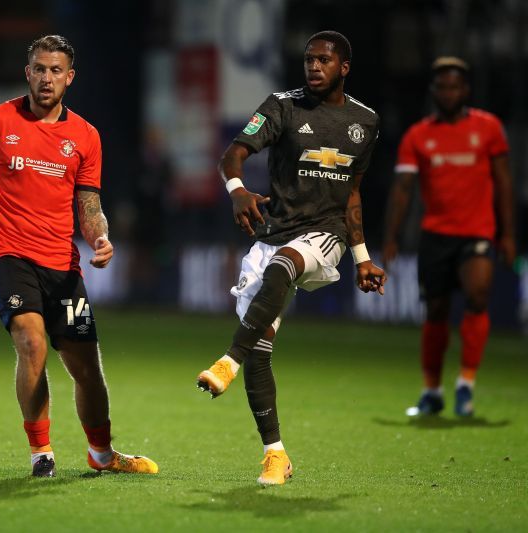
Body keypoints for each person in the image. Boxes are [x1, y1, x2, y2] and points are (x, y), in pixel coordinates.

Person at [0, 35, 158, 478]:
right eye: (39, 69)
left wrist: (100, 238)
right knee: (32, 344)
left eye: (56, 71)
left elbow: (89, 205)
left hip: (60, 262)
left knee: (87, 369)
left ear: (70, 78)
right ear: (28, 72)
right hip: (5, 253)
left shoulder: (85, 136)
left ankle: (102, 455)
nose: (47, 78)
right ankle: (40, 452)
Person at [195, 31, 387, 485]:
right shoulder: (282, 106)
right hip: (272, 233)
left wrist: (361, 256)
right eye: (308, 60)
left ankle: (227, 360)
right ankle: (276, 454)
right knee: (261, 348)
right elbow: (233, 154)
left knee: (285, 265)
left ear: (344, 67)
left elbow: (352, 194)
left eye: (324, 60)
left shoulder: (365, 121)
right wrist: (238, 190)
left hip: (324, 235)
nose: (313, 67)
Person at [382, 57, 516, 418]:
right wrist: (391, 236)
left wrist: (508, 235)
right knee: (436, 312)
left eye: (454, 86)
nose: (448, 92)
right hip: (435, 235)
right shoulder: (418, 135)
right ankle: (432, 391)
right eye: (441, 86)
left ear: (465, 90)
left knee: (478, 296)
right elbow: (403, 190)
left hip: (478, 232)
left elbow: (504, 183)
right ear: (433, 92)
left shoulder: (488, 128)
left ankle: (466, 384)